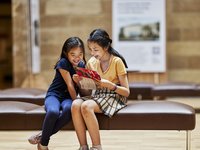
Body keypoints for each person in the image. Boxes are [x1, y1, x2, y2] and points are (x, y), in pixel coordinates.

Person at [72, 29, 130, 150]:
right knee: (75, 104)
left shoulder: (117, 61)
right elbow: (87, 92)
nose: (92, 53)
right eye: (90, 49)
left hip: (115, 95)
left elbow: (126, 92)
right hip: (98, 95)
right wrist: (80, 83)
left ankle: (97, 147)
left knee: (86, 106)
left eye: (96, 49)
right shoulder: (92, 63)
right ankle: (83, 147)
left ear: (106, 47)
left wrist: (110, 85)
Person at [28, 37, 86, 150]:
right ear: (66, 53)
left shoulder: (82, 65)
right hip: (54, 95)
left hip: (67, 98)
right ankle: (44, 144)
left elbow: (82, 87)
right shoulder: (63, 62)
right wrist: (76, 102)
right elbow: (70, 85)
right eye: (73, 54)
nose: (77, 57)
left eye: (80, 54)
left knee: (68, 111)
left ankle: (41, 136)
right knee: (53, 112)